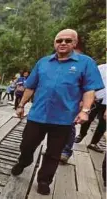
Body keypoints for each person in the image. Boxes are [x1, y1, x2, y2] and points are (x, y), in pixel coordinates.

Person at [12, 29, 104, 195]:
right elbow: (30, 86)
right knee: (26, 145)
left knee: (54, 153)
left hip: (63, 118)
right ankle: (24, 161)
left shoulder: (86, 63)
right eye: (59, 40)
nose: (63, 43)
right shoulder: (43, 62)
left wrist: (85, 110)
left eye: (68, 41)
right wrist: (21, 105)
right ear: (54, 43)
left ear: (74, 44)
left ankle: (44, 180)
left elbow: (90, 89)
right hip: (37, 115)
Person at [74, 63, 106, 152]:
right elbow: (90, 82)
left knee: (103, 124)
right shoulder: (100, 68)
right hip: (95, 98)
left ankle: (94, 143)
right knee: (88, 118)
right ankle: (81, 134)